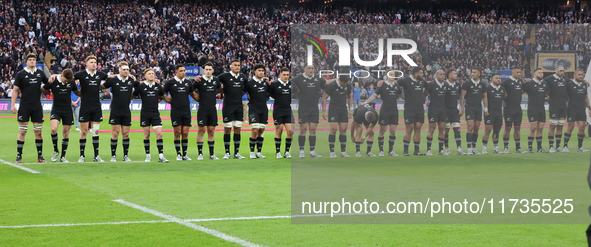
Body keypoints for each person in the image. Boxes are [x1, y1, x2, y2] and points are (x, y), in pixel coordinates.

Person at [11, 53, 49, 163]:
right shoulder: (21, 74)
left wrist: (42, 89)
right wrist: (13, 105)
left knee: (38, 132)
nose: (32, 61)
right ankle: (19, 156)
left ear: (36, 61)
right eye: (30, 59)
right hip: (24, 105)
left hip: (37, 105)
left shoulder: (40, 73)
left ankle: (40, 156)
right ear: (26, 61)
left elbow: (48, 84)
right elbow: (15, 90)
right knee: (22, 131)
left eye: (33, 59)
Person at [292, 65, 333, 158]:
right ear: (304, 69)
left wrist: (337, 79)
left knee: (313, 130)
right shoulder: (298, 78)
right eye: (309, 68)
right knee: (303, 130)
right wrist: (297, 94)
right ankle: (301, 151)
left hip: (314, 108)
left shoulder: (317, 78)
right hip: (303, 108)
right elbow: (292, 87)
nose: (311, 70)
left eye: (312, 68)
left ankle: (312, 151)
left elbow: (326, 83)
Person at [102, 61, 138, 162]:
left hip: (126, 110)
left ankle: (125, 156)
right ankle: (113, 155)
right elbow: (102, 85)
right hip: (115, 110)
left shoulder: (131, 80)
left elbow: (140, 85)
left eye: (127, 70)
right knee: (115, 133)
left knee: (126, 134)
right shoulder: (113, 80)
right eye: (124, 69)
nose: (126, 71)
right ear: (119, 70)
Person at [163, 64, 199, 161]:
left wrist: (205, 99)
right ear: (176, 72)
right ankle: (178, 154)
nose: (184, 72)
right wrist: (170, 101)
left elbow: (194, 95)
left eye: (184, 71)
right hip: (176, 111)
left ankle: (185, 154)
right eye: (181, 71)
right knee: (177, 133)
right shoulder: (170, 82)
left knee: (185, 133)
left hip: (186, 111)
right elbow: (163, 94)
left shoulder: (188, 83)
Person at [362, 70, 402, 156]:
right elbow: (374, 95)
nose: (392, 76)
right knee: (382, 131)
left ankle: (390, 151)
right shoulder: (382, 85)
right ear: (387, 75)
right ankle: (381, 151)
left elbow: (402, 95)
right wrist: (365, 102)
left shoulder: (397, 85)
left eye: (393, 74)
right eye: (390, 74)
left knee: (393, 132)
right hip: (385, 111)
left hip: (394, 111)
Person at [133, 68, 170, 162]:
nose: (152, 75)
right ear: (145, 76)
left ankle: (161, 156)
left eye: (153, 73)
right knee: (146, 135)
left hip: (155, 113)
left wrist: (174, 102)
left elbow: (163, 97)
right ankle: (148, 155)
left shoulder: (158, 87)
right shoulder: (141, 86)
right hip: (145, 113)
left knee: (159, 134)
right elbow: (132, 96)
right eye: (149, 74)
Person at [44, 69, 78, 162]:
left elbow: (77, 92)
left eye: (68, 81)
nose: (67, 82)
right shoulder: (53, 80)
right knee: (54, 129)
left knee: (66, 133)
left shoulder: (71, 82)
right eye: (65, 80)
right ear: (62, 76)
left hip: (67, 110)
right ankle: (56, 151)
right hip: (56, 109)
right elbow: (43, 88)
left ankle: (63, 156)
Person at [218, 59, 248, 160]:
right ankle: (227, 152)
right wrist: (222, 91)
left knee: (238, 129)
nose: (237, 67)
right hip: (228, 106)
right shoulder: (224, 76)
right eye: (235, 65)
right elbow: (215, 82)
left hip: (238, 106)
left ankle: (236, 152)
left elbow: (246, 88)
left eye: (239, 65)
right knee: (227, 129)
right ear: (231, 66)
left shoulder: (243, 77)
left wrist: (239, 94)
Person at [193, 62, 220, 160]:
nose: (208, 71)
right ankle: (200, 153)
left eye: (210, 69)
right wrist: (196, 97)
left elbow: (220, 88)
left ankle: (212, 154)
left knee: (211, 131)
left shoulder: (216, 80)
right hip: (202, 109)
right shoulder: (199, 80)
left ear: (212, 70)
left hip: (212, 109)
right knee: (201, 131)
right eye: (206, 69)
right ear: (204, 70)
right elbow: (191, 90)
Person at [322, 73, 353, 158]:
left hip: (343, 109)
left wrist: (351, 109)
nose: (345, 85)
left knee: (343, 130)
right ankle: (332, 151)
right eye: (344, 83)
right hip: (333, 109)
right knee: (333, 129)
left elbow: (350, 96)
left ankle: (343, 151)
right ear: (339, 80)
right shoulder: (332, 85)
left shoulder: (348, 85)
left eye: (346, 83)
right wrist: (324, 111)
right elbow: (324, 97)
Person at [398, 67, 427, 156]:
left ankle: (416, 151)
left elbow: (430, 87)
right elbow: (395, 84)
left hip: (420, 108)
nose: (423, 75)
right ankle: (405, 150)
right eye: (421, 73)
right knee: (409, 128)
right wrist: (400, 94)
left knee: (418, 128)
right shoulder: (405, 80)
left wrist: (426, 98)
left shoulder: (422, 82)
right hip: (409, 108)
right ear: (416, 73)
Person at [243, 64, 269, 159]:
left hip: (264, 109)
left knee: (261, 131)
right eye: (259, 70)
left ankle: (259, 152)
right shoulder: (249, 83)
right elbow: (241, 92)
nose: (261, 72)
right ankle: (252, 152)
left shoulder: (265, 83)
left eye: (262, 71)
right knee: (255, 130)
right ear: (255, 71)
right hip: (254, 109)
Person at [268, 67, 294, 159]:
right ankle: (278, 152)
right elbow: (268, 93)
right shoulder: (274, 84)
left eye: (288, 75)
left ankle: (287, 152)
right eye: (284, 75)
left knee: (291, 131)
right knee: (279, 130)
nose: (286, 76)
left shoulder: (291, 84)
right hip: (278, 110)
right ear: (280, 75)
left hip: (288, 110)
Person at [562, 70, 591, 152]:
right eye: (579, 75)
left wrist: (589, 108)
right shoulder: (569, 84)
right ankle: (565, 146)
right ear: (574, 75)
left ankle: (580, 147)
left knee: (582, 127)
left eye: (582, 75)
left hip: (581, 109)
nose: (581, 76)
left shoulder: (584, 84)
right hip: (572, 109)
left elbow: (586, 97)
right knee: (570, 127)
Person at [522, 68, 549, 153]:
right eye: (539, 73)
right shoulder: (530, 83)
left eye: (542, 73)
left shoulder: (544, 84)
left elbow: (546, 93)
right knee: (533, 128)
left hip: (542, 108)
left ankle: (539, 148)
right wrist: (525, 81)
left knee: (540, 128)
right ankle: (530, 147)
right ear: (535, 74)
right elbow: (521, 90)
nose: (541, 74)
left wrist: (547, 97)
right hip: (532, 108)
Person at [461, 68, 487, 155]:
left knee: (476, 127)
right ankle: (468, 149)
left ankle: (473, 147)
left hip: (478, 108)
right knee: (470, 127)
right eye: (472, 72)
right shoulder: (467, 83)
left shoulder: (482, 84)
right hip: (469, 107)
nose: (472, 74)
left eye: (475, 72)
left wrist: (486, 109)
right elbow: (462, 96)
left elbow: (485, 97)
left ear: (479, 74)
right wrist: (461, 107)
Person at [500, 68, 526, 154]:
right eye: (517, 72)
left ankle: (518, 147)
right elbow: (500, 87)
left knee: (517, 128)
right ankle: (506, 147)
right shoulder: (507, 81)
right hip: (509, 108)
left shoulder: (520, 81)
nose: (519, 74)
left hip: (518, 108)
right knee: (508, 128)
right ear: (513, 73)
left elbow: (522, 90)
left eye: (520, 72)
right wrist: (504, 93)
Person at [424, 70, 448, 155]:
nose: (442, 76)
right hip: (433, 109)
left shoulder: (446, 85)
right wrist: (425, 102)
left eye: (443, 75)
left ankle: (441, 150)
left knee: (442, 129)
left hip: (443, 109)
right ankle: (429, 149)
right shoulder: (431, 85)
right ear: (436, 75)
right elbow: (425, 94)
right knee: (432, 128)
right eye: (440, 74)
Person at [546, 66, 569, 153]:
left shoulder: (565, 79)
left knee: (560, 126)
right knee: (553, 126)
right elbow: (542, 85)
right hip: (554, 105)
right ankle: (551, 146)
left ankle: (558, 146)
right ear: (556, 71)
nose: (562, 72)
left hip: (563, 105)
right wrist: (547, 96)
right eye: (561, 71)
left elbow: (572, 82)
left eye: (563, 71)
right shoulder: (549, 79)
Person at [482, 73, 506, 154]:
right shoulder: (488, 88)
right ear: (492, 79)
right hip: (490, 112)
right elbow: (484, 99)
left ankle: (495, 148)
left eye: (499, 78)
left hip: (499, 112)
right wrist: (485, 110)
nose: (498, 79)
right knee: (488, 130)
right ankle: (484, 148)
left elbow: (504, 97)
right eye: (496, 78)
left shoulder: (502, 89)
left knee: (497, 131)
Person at [444, 69, 466, 155]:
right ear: (449, 75)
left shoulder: (458, 84)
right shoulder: (445, 84)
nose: (456, 75)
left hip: (454, 110)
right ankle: (446, 148)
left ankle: (459, 149)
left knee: (457, 129)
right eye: (454, 74)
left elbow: (462, 97)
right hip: (445, 111)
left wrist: (462, 108)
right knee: (446, 130)